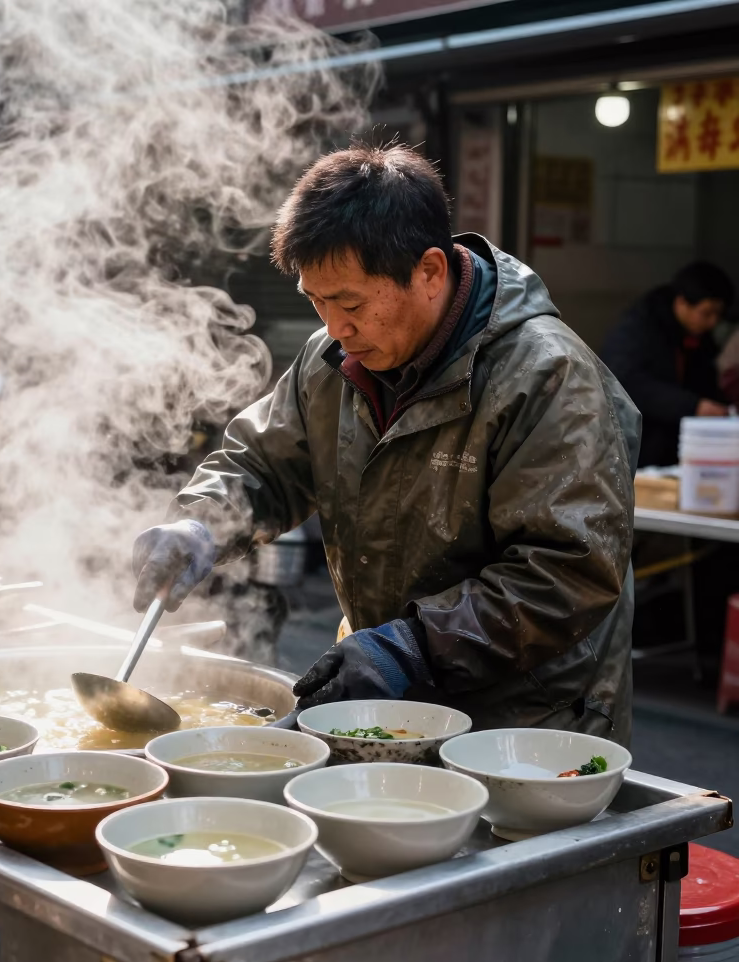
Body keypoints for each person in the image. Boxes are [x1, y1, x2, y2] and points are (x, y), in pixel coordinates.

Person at [131, 143, 641, 742]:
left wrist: (412, 647)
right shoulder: (331, 363)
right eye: (318, 302)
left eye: (349, 302)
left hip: (526, 728)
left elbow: (566, 573)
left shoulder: (548, 377)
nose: (336, 327)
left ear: (428, 271)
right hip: (386, 699)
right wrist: (200, 526)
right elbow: (262, 465)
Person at [601, 261, 735, 468]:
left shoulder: (698, 337)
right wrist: (693, 405)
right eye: (707, 313)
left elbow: (704, 381)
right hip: (634, 448)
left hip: (676, 448)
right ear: (682, 303)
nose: (712, 322)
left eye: (718, 315)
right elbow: (624, 382)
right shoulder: (638, 329)